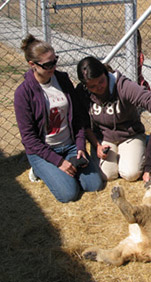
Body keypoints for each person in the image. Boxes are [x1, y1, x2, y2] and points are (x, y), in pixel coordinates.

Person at [14, 34, 103, 203]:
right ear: (32, 65)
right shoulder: (23, 93)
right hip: (44, 151)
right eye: (47, 64)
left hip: (69, 145)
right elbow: (29, 139)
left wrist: (79, 146)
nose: (53, 67)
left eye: (55, 61)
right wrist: (59, 162)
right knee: (69, 194)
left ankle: (64, 172)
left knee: (94, 184)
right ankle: (38, 169)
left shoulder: (62, 79)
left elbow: (78, 117)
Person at [76, 56, 151, 182]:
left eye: (101, 81)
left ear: (106, 74)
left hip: (129, 135)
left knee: (130, 173)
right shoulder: (82, 92)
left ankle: (145, 144)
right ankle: (129, 153)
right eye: (92, 86)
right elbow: (84, 123)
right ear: (85, 86)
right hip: (104, 138)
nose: (98, 87)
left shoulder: (122, 86)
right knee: (107, 175)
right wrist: (97, 145)